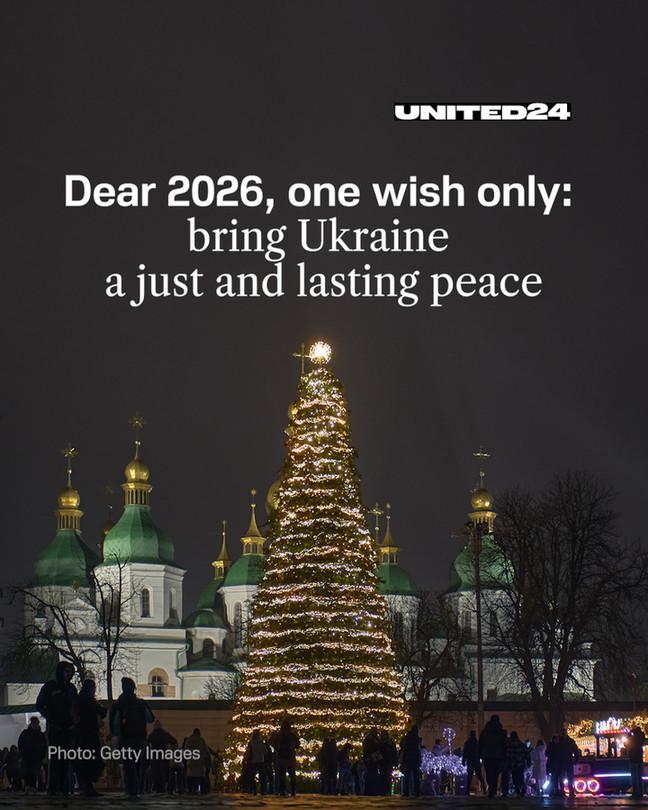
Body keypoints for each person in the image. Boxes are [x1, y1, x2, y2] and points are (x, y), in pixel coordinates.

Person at [36, 661, 79, 795]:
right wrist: (51, 717)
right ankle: (54, 787)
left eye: (71, 672)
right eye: (67, 672)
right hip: (55, 727)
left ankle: (64, 786)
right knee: (55, 758)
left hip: (68, 728)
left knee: (65, 758)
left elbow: (75, 707)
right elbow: (40, 705)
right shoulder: (50, 686)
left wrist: (74, 721)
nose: (69, 675)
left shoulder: (72, 688)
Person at [110, 676, 154, 796]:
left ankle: (132, 789)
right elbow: (151, 718)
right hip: (140, 738)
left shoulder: (119, 704)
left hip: (126, 739)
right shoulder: (141, 703)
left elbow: (115, 723)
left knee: (129, 764)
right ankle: (139, 788)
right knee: (139, 765)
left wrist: (115, 734)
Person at [75, 679, 106, 796]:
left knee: (86, 760)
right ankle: (88, 786)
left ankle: (86, 785)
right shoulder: (88, 699)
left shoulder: (80, 698)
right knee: (91, 760)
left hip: (83, 733)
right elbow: (101, 711)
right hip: (88, 734)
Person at [479, 714, 506, 798]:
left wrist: (480, 754)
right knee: (496, 774)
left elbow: (480, 744)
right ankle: (493, 789)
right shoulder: (502, 732)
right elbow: (504, 745)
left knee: (489, 773)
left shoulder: (485, 732)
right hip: (498, 756)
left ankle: (491, 788)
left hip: (487, 755)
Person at [148, 719, 177, 793]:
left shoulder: (151, 735)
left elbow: (146, 743)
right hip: (164, 756)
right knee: (164, 772)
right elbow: (174, 741)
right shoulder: (165, 734)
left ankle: (156, 786)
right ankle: (164, 787)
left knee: (155, 772)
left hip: (154, 756)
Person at [18, 717, 46, 793]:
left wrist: (43, 756)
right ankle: (29, 786)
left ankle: (31, 786)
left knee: (33, 772)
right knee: (29, 772)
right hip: (29, 756)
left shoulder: (28, 733)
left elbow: (44, 746)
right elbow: (20, 744)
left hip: (35, 756)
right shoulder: (38, 734)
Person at [274, 719, 300, 797]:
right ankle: (292, 790)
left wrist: (278, 749)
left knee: (282, 775)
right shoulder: (292, 735)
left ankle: (283, 790)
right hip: (290, 757)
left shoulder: (279, 735)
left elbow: (274, 743)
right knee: (292, 775)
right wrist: (292, 747)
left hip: (281, 757)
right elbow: (298, 744)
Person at [184, 728, 210, 794]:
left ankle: (191, 789)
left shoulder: (189, 740)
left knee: (191, 776)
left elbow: (186, 750)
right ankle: (202, 790)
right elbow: (206, 750)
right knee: (200, 777)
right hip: (200, 761)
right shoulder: (201, 740)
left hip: (191, 760)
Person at [400, 723, 422, 798]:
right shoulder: (417, 739)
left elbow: (402, 747)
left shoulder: (407, 738)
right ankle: (417, 792)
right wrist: (419, 759)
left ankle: (406, 792)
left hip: (408, 759)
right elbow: (418, 750)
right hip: (414, 760)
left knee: (407, 777)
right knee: (416, 777)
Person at [557, 727, 579, 798]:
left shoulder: (559, 741)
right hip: (567, 761)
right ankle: (570, 792)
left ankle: (565, 792)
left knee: (563, 777)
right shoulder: (570, 741)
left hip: (563, 761)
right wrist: (576, 759)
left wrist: (576, 759)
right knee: (568, 777)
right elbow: (575, 751)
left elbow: (575, 751)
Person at [506, 731, 529, 797]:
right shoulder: (521, 744)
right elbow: (526, 753)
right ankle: (523, 788)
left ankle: (518, 790)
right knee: (521, 776)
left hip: (513, 764)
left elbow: (508, 755)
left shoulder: (510, 745)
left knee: (515, 777)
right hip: (521, 763)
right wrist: (528, 761)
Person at [462, 730, 486, 795]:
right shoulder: (476, 742)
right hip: (476, 761)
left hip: (471, 761)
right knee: (479, 776)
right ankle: (484, 790)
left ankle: (467, 791)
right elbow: (480, 752)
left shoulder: (468, 743)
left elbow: (465, 752)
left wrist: (464, 760)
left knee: (470, 777)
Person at [245, 730, 267, 795]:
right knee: (262, 776)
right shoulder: (261, 742)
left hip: (253, 761)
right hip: (261, 760)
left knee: (252, 776)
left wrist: (246, 759)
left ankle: (254, 790)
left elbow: (248, 751)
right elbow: (265, 751)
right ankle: (262, 790)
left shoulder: (251, 742)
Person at [627, 726, 646, 799]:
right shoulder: (641, 738)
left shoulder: (633, 739)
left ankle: (635, 793)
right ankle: (640, 793)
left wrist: (629, 735)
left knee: (634, 778)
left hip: (633, 759)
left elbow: (626, 744)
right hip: (640, 760)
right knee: (640, 777)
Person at [362, 727, 382, 795]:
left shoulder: (375, 739)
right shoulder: (370, 739)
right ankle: (369, 791)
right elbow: (367, 749)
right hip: (371, 759)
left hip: (374, 759)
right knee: (370, 775)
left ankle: (372, 790)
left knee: (373, 775)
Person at [378, 730, 398, 795]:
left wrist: (395, 761)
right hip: (382, 762)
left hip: (388, 762)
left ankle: (387, 791)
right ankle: (383, 791)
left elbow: (394, 753)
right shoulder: (380, 743)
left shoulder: (390, 743)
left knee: (388, 777)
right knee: (382, 777)